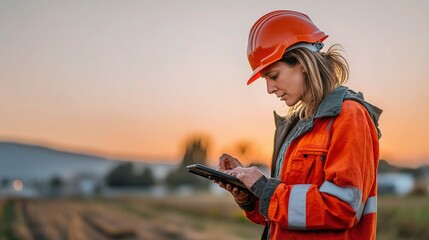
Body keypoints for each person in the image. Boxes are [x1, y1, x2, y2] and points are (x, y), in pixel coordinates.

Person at [215, 10, 382, 239]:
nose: (269, 89)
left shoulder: (349, 117)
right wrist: (250, 194)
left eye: (273, 76)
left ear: (302, 63)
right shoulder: (296, 127)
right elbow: (286, 215)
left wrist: (266, 189)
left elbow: (343, 208)